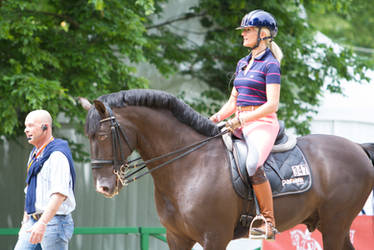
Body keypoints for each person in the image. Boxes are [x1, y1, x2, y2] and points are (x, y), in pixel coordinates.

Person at [210, 10, 283, 240]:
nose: (243, 34)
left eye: (248, 30)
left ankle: (268, 222)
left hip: (261, 123)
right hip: (238, 120)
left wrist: (241, 120)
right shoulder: (243, 62)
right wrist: (215, 118)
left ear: (263, 34)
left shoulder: (271, 65)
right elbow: (233, 101)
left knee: (252, 164)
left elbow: (272, 105)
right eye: (244, 30)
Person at [14, 110, 76, 250]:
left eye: (30, 126)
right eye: (25, 126)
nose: (26, 130)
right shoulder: (35, 155)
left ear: (45, 127)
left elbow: (59, 194)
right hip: (32, 221)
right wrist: (25, 221)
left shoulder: (57, 155)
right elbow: (30, 190)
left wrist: (42, 224)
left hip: (54, 222)